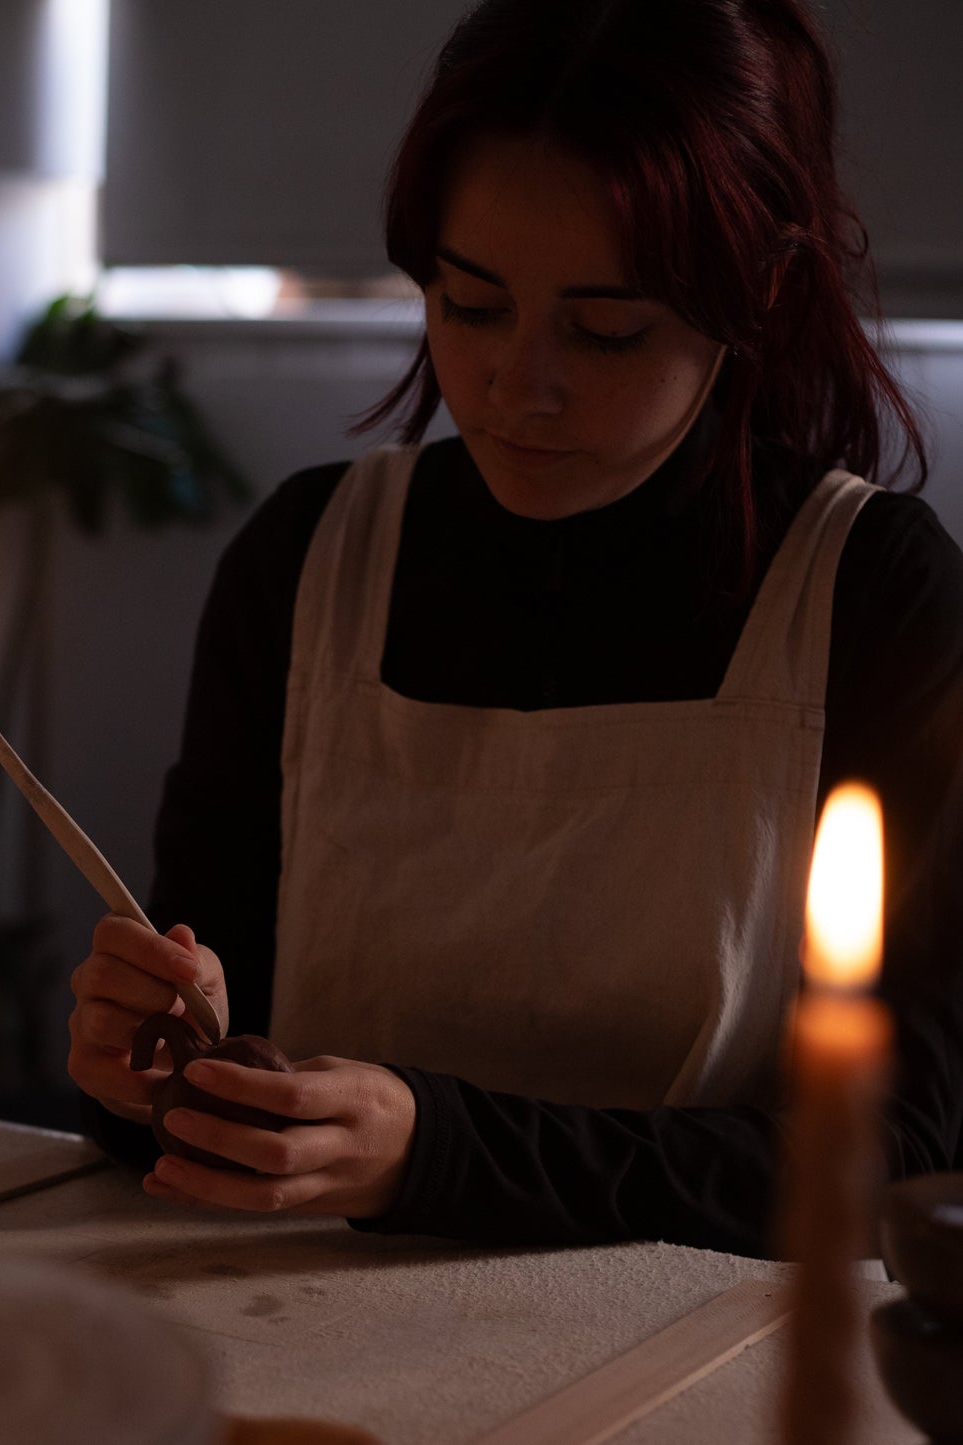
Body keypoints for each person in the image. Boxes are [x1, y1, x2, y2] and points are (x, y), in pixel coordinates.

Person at [66, 0, 963, 1258]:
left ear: (754, 288)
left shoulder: (872, 598)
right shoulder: (308, 562)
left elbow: (899, 1155)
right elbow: (207, 1081)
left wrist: (434, 1153)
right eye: (468, 305)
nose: (511, 385)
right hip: (292, 1322)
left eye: (604, 329)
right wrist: (150, 1070)